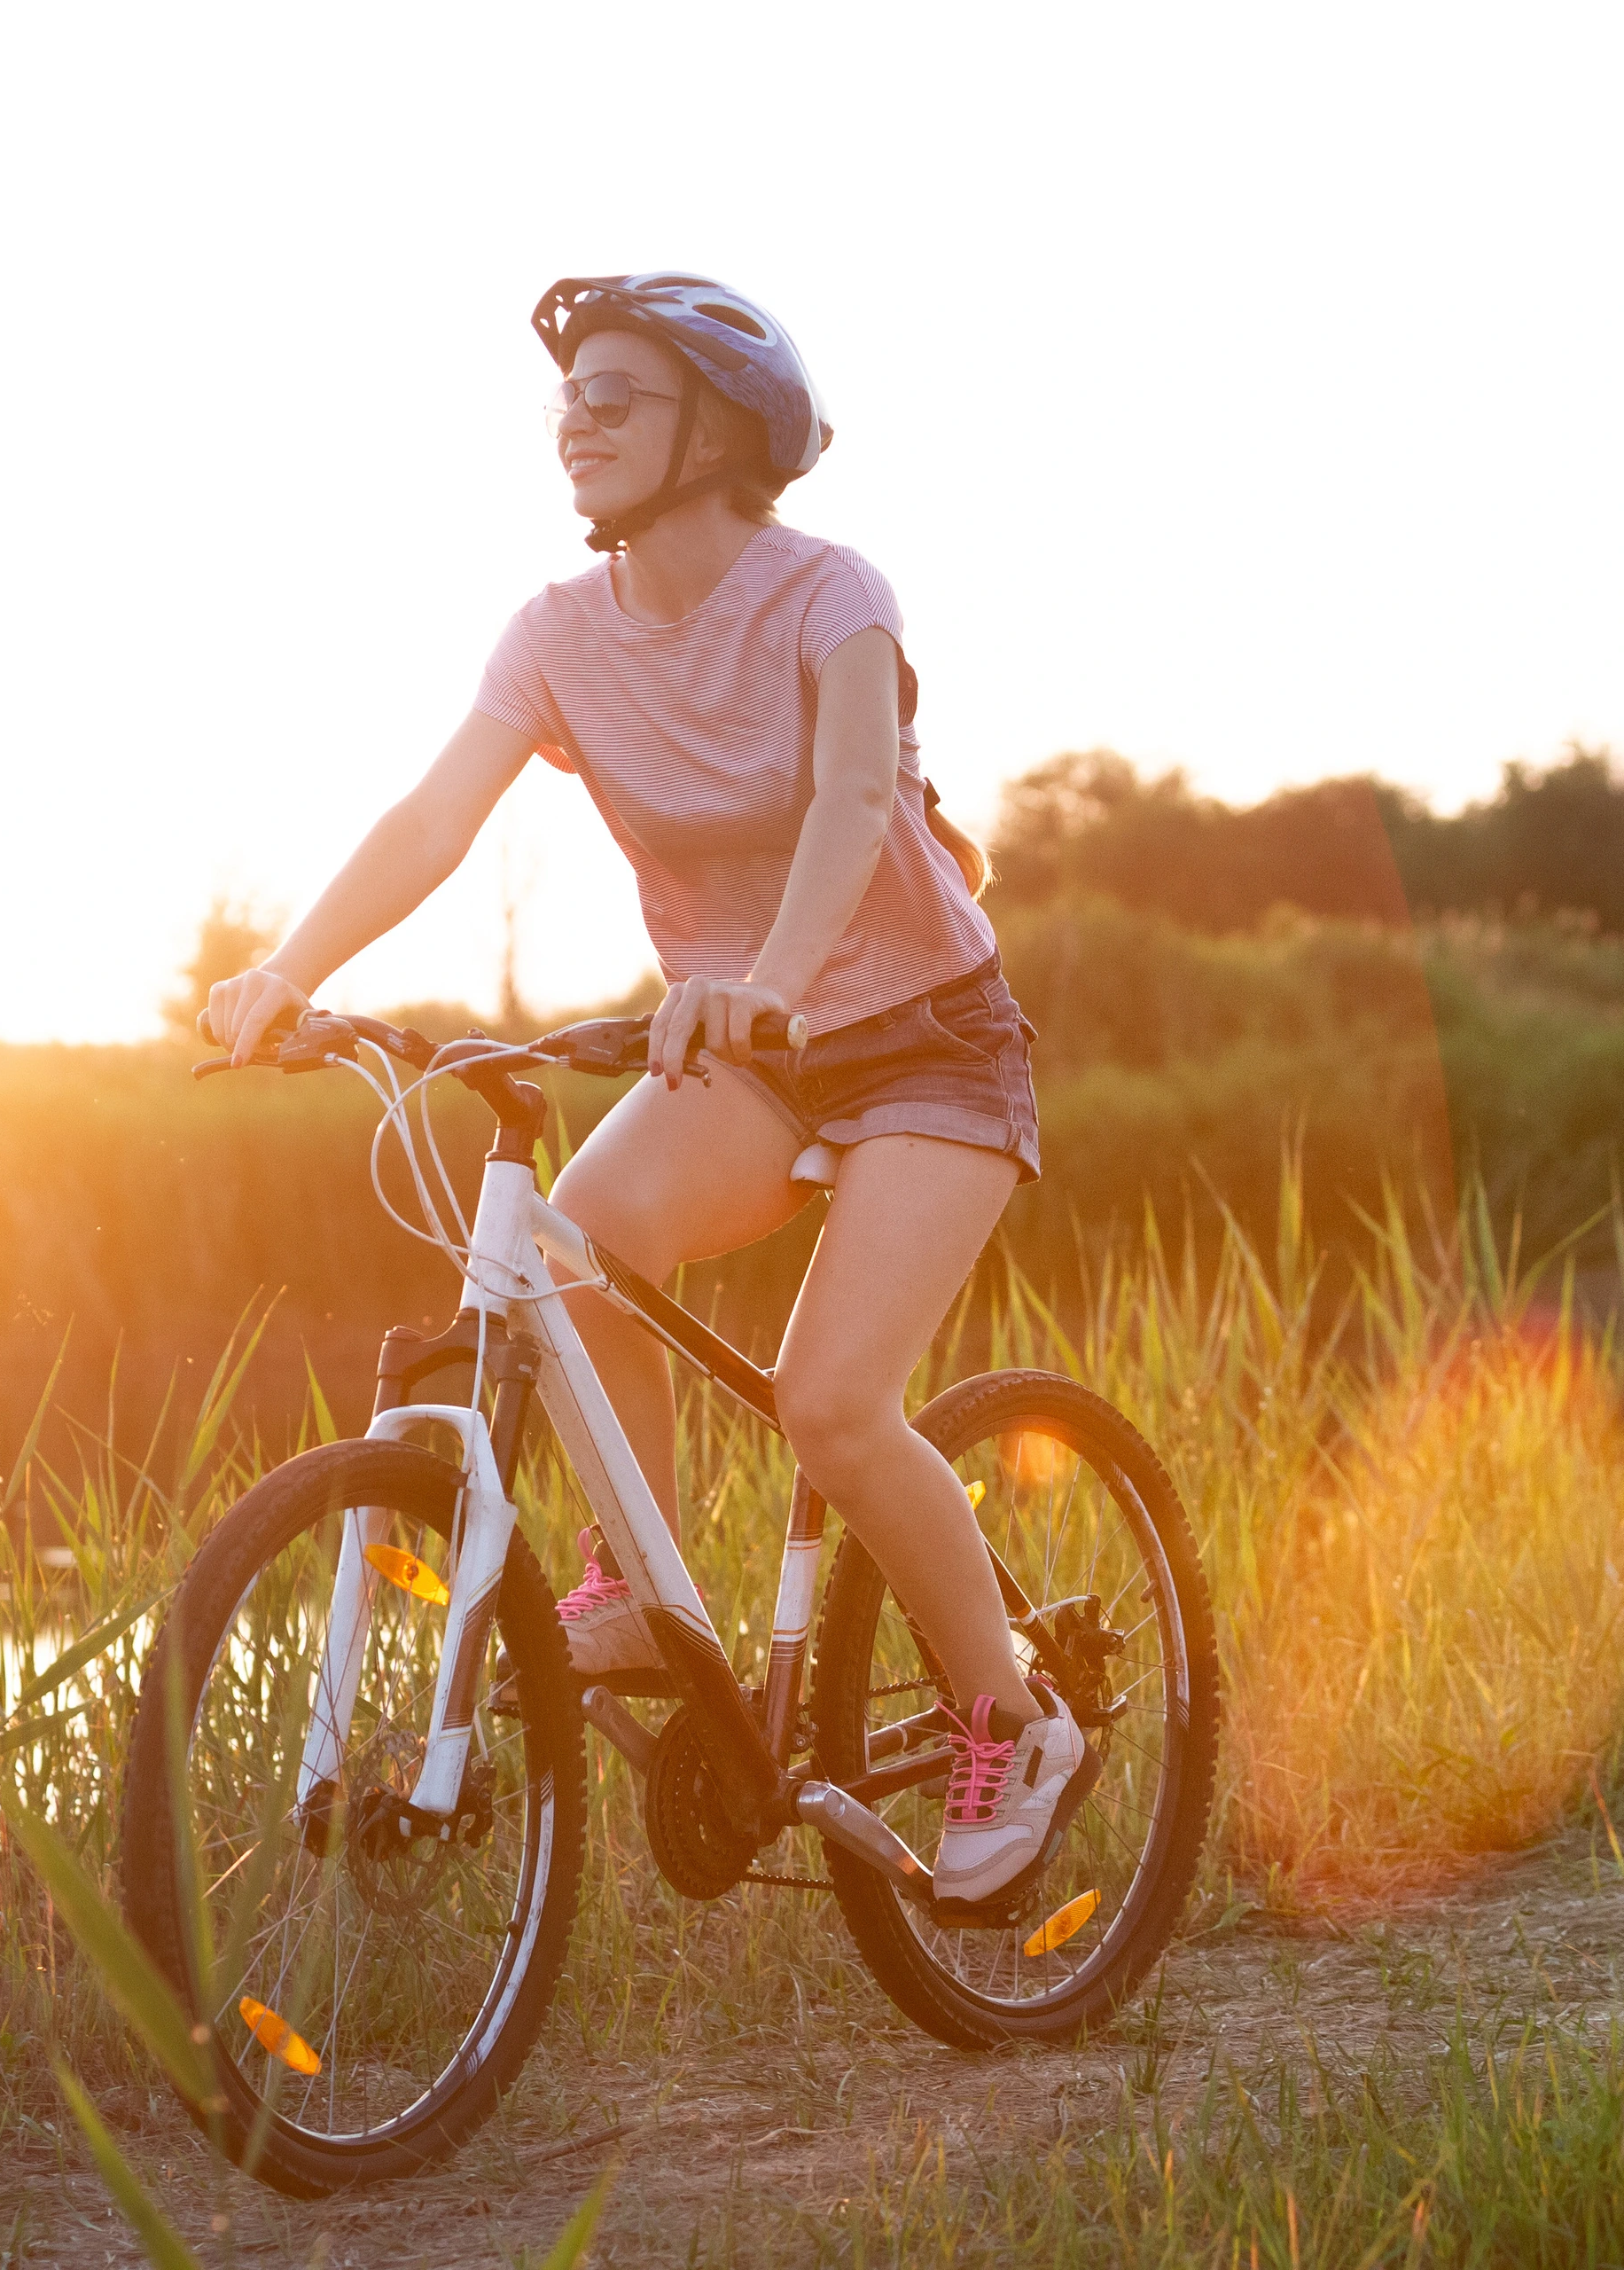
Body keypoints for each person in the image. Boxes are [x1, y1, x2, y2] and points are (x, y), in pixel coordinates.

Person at [202, 274, 1081, 1910]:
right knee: (574, 1241)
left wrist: (769, 977)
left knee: (830, 1401)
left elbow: (853, 792)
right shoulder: (557, 636)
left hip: (925, 1037)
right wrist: (292, 970)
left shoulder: (831, 595)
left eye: (620, 392)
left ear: (721, 429)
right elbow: (428, 820)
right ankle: (645, 1577)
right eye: (572, 396)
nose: (580, 418)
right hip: (746, 1045)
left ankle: (1012, 1718)